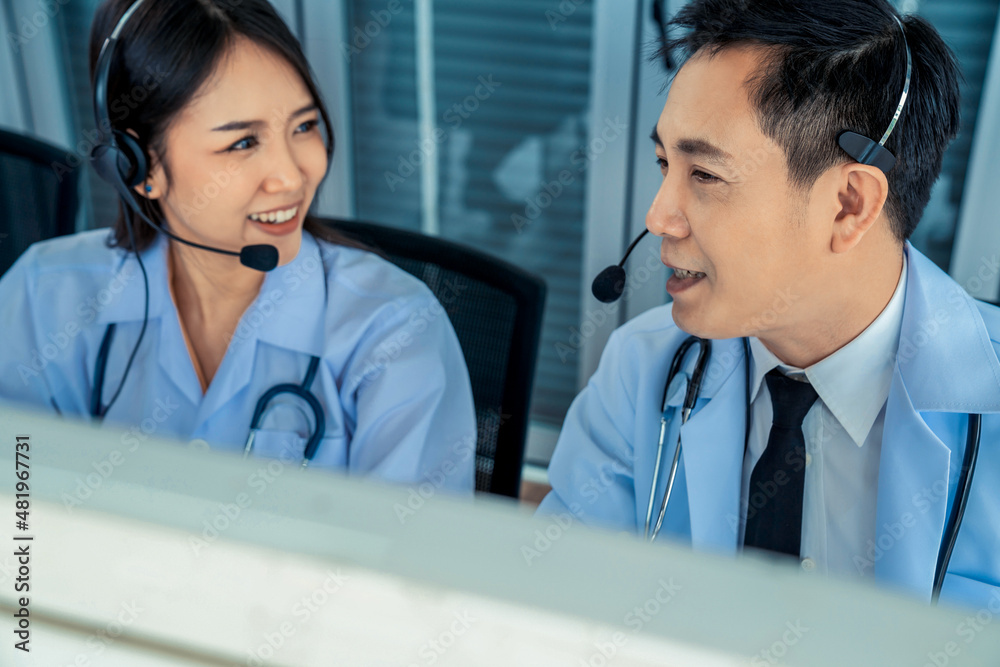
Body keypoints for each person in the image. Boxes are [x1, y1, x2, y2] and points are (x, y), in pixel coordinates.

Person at [539, 0, 1000, 608]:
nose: (657, 218)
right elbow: (555, 605)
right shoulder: (641, 369)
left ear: (849, 206)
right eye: (663, 164)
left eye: (703, 175)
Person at [0, 0, 476, 492]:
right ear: (138, 167)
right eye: (243, 143)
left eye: (304, 126)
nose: (293, 175)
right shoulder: (44, 299)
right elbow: (17, 524)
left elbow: (408, 559)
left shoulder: (393, 332)